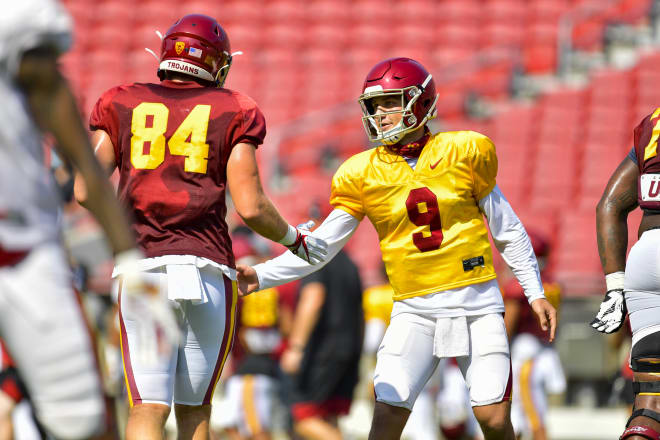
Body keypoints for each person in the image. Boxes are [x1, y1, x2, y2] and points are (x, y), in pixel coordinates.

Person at [237, 57, 557, 440]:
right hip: (414, 309)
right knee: (386, 417)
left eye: (390, 102)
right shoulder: (362, 172)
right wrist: (263, 274)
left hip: (476, 302)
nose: (381, 114)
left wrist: (534, 291)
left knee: (492, 419)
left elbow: (508, 229)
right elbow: (321, 246)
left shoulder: (464, 151)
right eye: (374, 106)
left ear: (420, 102)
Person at [74, 14, 327, 440]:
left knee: (147, 409)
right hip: (208, 271)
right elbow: (251, 207)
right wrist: (295, 239)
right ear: (216, 63)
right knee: (196, 411)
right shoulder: (235, 109)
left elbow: (85, 190)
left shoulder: (121, 101)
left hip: (145, 269)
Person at [1, 1, 180, 438]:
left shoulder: (15, 25)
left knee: (80, 420)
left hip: (21, 255)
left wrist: (131, 262)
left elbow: (82, 158)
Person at [591, 107, 660, 439]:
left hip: (645, 258)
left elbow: (609, 204)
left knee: (649, 406)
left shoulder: (653, 122)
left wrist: (615, 287)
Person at [280, 231, 363, 440]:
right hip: (348, 350)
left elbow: (313, 298)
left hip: (322, 352)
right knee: (328, 417)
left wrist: (296, 348)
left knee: (301, 418)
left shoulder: (316, 257)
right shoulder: (350, 264)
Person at [502, 231, 565, 440]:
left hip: (525, 354)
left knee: (526, 415)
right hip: (545, 351)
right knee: (530, 413)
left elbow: (507, 326)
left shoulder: (518, 286)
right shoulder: (553, 284)